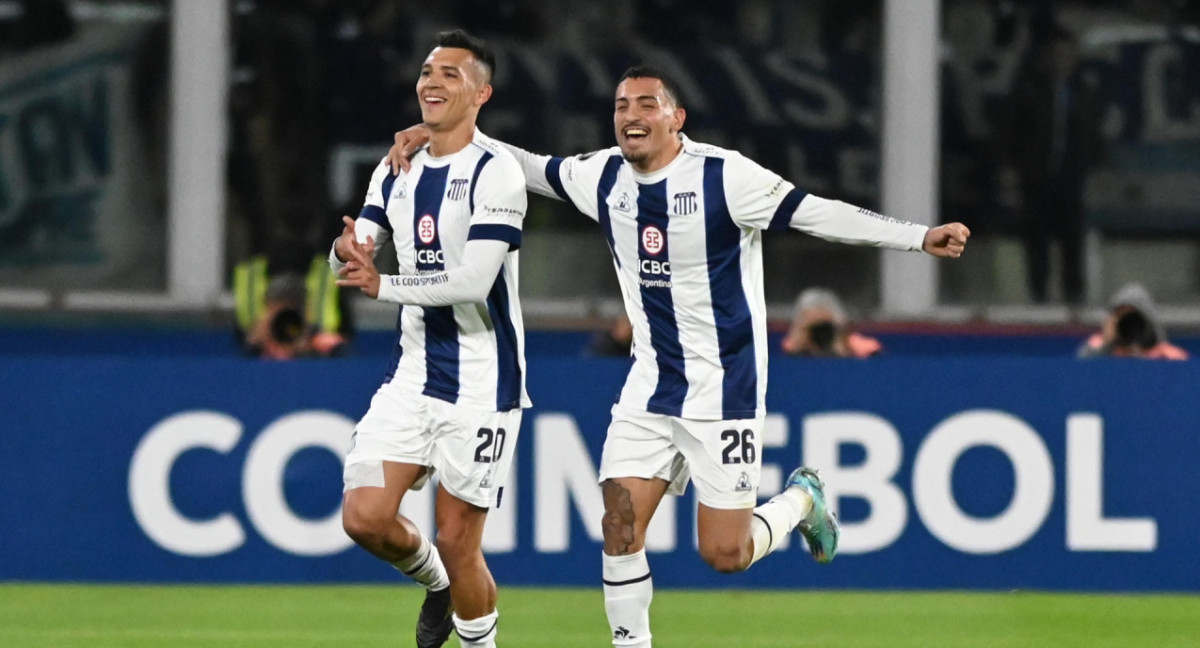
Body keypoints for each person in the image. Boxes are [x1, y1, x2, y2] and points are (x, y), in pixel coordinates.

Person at [390, 65, 970, 648]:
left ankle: (800, 501)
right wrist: (448, 135)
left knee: (725, 553)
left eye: (646, 104)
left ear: (676, 118)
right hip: (650, 383)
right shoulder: (604, 176)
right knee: (618, 523)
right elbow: (531, 167)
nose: (631, 116)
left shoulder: (725, 177)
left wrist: (917, 236)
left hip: (725, 387)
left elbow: (819, 212)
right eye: (621, 106)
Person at [332, 30, 529, 648]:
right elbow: (353, 256)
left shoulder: (498, 174)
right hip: (415, 374)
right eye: (426, 71)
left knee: (457, 538)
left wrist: (381, 283)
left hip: (483, 382)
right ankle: (435, 585)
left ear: (481, 93)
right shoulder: (394, 168)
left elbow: (473, 280)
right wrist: (343, 255)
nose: (432, 82)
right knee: (364, 518)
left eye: (450, 73)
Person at [1002, 23, 1104, 304]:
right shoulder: (1029, 89)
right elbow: (1012, 132)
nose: (1061, 60)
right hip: (1037, 177)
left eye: (1067, 54)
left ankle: (1074, 296)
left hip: (1071, 179)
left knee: (1072, 240)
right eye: (1056, 54)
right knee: (1037, 240)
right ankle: (1039, 296)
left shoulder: (1083, 91)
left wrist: (1096, 169)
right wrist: (1013, 170)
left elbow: (1093, 135)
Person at [1078, 283, 1188, 360]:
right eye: (1121, 315)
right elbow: (1081, 372)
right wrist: (1106, 345)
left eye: (1134, 318)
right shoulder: (1096, 346)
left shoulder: (1168, 356)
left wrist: (1139, 353)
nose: (1129, 325)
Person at [781, 287, 882, 358]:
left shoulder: (861, 346)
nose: (821, 333)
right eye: (814, 328)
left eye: (825, 327)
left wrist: (842, 349)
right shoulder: (795, 343)